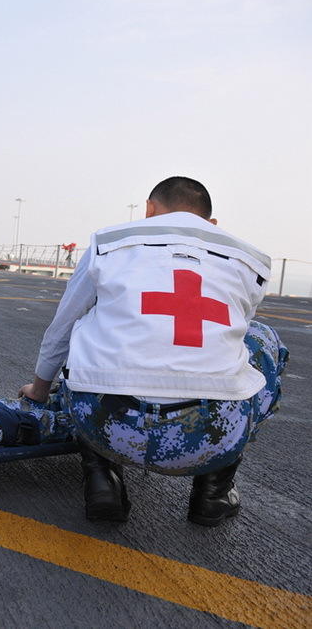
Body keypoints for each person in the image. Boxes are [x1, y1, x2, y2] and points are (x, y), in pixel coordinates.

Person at [19, 177, 288, 526]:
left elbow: (63, 325)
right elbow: (232, 334)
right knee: (261, 339)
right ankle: (213, 492)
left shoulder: (109, 243)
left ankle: (102, 477)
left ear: (149, 209)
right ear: (211, 224)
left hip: (110, 430)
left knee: (88, 325)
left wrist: (39, 390)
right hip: (209, 438)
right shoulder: (248, 260)